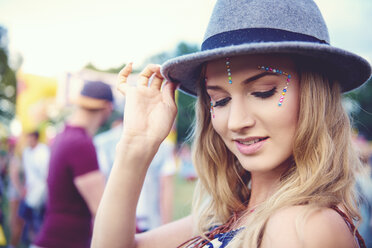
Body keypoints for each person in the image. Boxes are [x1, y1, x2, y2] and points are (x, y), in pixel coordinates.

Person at [92, 0, 371, 247]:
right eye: (220, 100)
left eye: (263, 92)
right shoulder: (229, 216)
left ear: (315, 95)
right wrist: (136, 143)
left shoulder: (303, 227)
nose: (237, 122)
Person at [34, 80, 113, 248]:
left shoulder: (64, 136)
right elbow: (102, 210)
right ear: (107, 107)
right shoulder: (80, 143)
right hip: (63, 242)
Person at [94, 116, 176, 232]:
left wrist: (165, 228)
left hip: (148, 222)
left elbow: (166, 189)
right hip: (117, 224)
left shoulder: (164, 146)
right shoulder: (103, 143)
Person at [18, 131, 50, 244]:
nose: (28, 140)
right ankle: (33, 242)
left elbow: (46, 173)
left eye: (30, 137)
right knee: (28, 219)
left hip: (42, 192)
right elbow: (27, 173)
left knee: (39, 220)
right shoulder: (26, 152)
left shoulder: (43, 151)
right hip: (30, 192)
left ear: (35, 138)